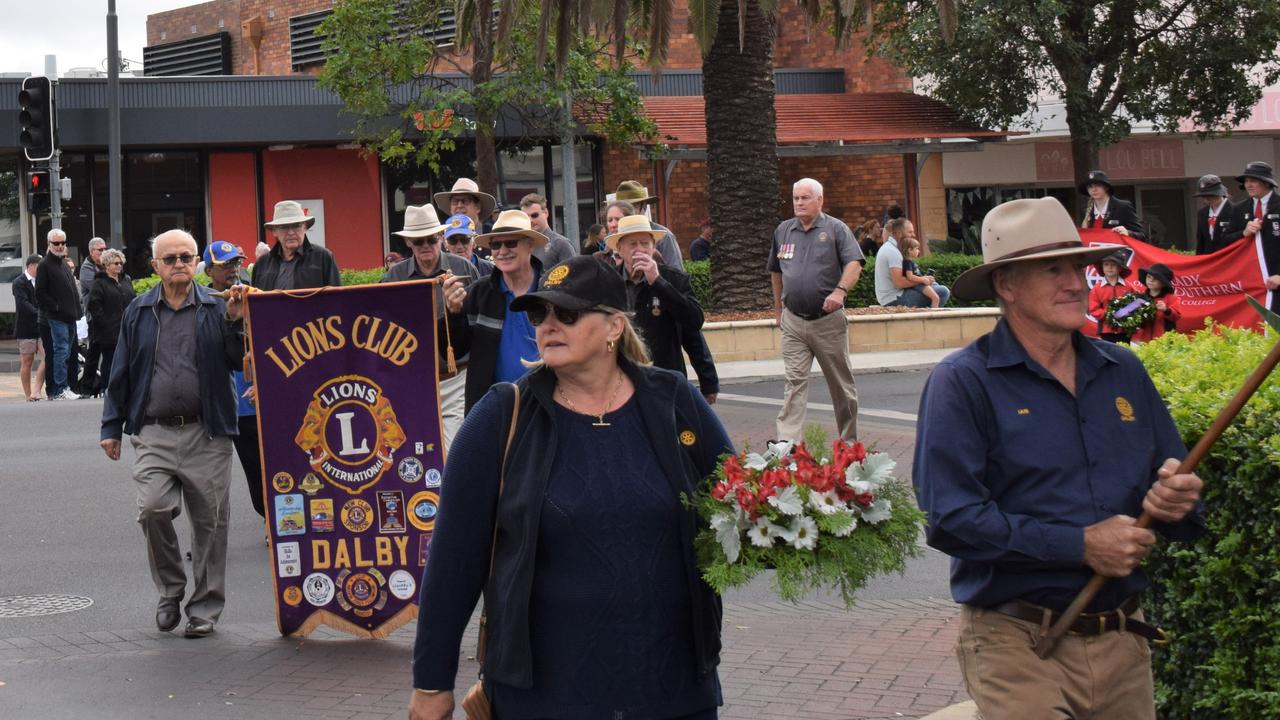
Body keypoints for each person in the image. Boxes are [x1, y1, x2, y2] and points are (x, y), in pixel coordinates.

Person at [915, 196, 1204, 720]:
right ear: (1006, 285)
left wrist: (1178, 501)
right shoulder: (962, 382)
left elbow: (1175, 492)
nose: (1076, 282)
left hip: (1122, 640)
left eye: (1079, 267)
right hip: (1016, 641)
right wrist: (1080, 546)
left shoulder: (1124, 372)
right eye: (1053, 270)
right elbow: (951, 519)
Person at [408, 254, 733, 720]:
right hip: (544, 695)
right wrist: (431, 682)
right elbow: (454, 559)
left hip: (673, 689)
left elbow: (740, 500)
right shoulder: (502, 415)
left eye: (568, 314)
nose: (549, 325)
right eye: (541, 315)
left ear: (614, 327)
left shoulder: (673, 400)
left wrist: (809, 512)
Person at [100, 229, 248, 639]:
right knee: (152, 508)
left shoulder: (219, 307)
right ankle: (171, 589)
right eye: (170, 259)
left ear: (198, 262)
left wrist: (236, 324)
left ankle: (204, 609)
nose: (179, 264)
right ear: (155, 267)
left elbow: (238, 362)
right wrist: (111, 426)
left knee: (211, 524)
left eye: (186, 257)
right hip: (154, 432)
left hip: (208, 433)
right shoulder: (138, 311)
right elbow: (122, 371)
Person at [769, 178, 863, 442]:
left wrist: (840, 291)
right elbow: (776, 272)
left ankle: (849, 443)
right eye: (796, 198)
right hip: (793, 322)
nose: (799, 203)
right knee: (794, 383)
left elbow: (855, 263)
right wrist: (778, 310)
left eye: (805, 198)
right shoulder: (783, 230)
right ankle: (787, 446)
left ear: (819, 200)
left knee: (841, 387)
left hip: (828, 322)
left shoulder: (836, 229)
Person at [382, 206, 478, 450]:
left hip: (454, 376)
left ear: (440, 238)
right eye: (418, 240)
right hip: (411, 378)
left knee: (454, 448)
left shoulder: (464, 269)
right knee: (413, 450)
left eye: (431, 239)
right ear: (408, 243)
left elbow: (478, 324)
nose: (426, 245)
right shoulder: (394, 277)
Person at [608, 214, 720, 404]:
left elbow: (693, 324)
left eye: (645, 243)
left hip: (665, 377)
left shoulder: (674, 279)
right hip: (620, 380)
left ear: (653, 247)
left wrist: (658, 283)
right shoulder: (607, 282)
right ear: (620, 249)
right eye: (632, 244)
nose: (640, 250)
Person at [447, 209, 547, 412]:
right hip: (494, 409)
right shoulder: (479, 292)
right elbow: (456, 349)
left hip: (546, 404)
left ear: (530, 244)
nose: (502, 251)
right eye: (495, 244)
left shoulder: (551, 290)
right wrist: (453, 313)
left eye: (510, 243)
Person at [202, 240, 264, 521]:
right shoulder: (201, 304)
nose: (233, 269)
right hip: (221, 401)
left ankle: (272, 521)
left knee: (262, 468)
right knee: (208, 474)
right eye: (226, 265)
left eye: (237, 262)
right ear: (208, 271)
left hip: (254, 399)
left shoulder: (254, 295)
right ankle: (207, 534)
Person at [35, 229, 82, 400]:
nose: (60, 246)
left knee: (67, 352)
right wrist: (55, 307)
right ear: (49, 244)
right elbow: (39, 293)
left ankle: (63, 387)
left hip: (69, 316)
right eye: (56, 243)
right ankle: (59, 388)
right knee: (61, 352)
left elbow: (72, 291)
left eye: (63, 242)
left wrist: (78, 311)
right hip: (57, 317)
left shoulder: (63, 263)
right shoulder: (45, 265)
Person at [252, 200, 341, 290]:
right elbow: (254, 301)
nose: (291, 232)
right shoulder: (262, 264)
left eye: (296, 226)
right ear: (274, 231)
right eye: (284, 227)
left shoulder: (323, 258)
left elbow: (336, 298)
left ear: (305, 227)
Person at [85, 248, 135, 397]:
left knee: (127, 360)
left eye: (121, 263)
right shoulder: (99, 282)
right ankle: (107, 388)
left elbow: (133, 300)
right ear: (107, 265)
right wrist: (105, 326)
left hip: (126, 327)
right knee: (110, 360)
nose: (119, 266)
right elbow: (94, 306)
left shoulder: (126, 280)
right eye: (115, 263)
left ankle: (125, 388)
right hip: (107, 330)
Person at [875, 219, 951, 308]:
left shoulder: (893, 248)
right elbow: (899, 283)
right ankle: (927, 320)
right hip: (894, 299)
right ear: (899, 234)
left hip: (896, 295)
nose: (913, 235)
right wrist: (922, 280)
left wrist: (924, 280)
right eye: (910, 232)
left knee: (934, 286)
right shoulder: (892, 252)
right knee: (943, 292)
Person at [1235, 161, 1280, 311]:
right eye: (1246, 181)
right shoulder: (1238, 209)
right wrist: (1243, 233)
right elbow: (1223, 242)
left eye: (1253, 181)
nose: (1248, 185)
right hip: (1250, 285)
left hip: (1276, 281)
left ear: (1267, 183)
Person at [611, 181, 685, 270]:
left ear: (644, 208)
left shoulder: (664, 237)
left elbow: (677, 276)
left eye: (633, 207)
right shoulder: (612, 238)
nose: (627, 212)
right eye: (623, 208)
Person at [1087, 249, 1138, 343]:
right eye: (1106, 264)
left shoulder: (1129, 286)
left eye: (1113, 264)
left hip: (1125, 329)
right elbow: (1093, 309)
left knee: (1124, 354)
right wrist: (1110, 314)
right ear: (1101, 267)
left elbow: (1137, 302)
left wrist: (1125, 312)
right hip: (1106, 331)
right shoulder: (1097, 289)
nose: (1109, 267)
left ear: (1120, 268)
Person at [13, 254, 46, 402]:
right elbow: (22, 304)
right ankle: (28, 394)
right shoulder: (19, 282)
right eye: (40, 267)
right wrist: (39, 313)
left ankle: (36, 390)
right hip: (25, 328)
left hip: (42, 326)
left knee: (47, 357)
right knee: (27, 361)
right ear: (31, 266)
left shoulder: (41, 281)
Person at [1079, 170, 1145, 239]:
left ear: (1106, 187)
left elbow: (1142, 235)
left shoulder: (1122, 207)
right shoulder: (1085, 210)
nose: (1094, 189)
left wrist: (1128, 233)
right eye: (1090, 186)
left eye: (1098, 185)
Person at [519, 193, 577, 268]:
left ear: (546, 213)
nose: (530, 220)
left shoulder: (561, 244)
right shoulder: (521, 244)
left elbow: (573, 275)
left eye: (534, 215)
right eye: (526, 217)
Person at [1132, 263, 1182, 343]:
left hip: (1164, 341)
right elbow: (1124, 313)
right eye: (1149, 277)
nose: (1151, 280)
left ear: (1163, 283)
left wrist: (1166, 310)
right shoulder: (1140, 298)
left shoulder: (1171, 298)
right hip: (1142, 341)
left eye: (1155, 278)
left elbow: (1176, 316)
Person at [1193, 174, 1239, 255]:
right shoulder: (1202, 213)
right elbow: (1201, 243)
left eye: (1211, 195)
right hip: (1208, 261)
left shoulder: (1235, 211)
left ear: (1220, 193)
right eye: (1204, 196)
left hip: (1228, 259)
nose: (1207, 199)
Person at [897, 235, 943, 308]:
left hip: (919, 284)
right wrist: (923, 279)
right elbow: (910, 276)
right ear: (910, 250)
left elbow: (916, 275)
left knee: (935, 290)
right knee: (935, 298)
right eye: (917, 248)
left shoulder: (911, 262)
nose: (918, 251)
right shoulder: (907, 262)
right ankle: (933, 315)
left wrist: (925, 277)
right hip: (919, 285)